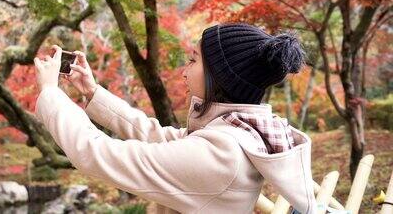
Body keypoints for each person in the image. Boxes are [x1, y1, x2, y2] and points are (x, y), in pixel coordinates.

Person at [33, 22, 316, 214]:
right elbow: (156, 134)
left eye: (193, 60)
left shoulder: (222, 153)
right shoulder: (239, 132)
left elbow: (98, 154)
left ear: (220, 77)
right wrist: (91, 92)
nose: (184, 70)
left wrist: (50, 92)